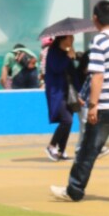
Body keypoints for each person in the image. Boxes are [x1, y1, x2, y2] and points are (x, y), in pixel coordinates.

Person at [50, 0, 109, 204]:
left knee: (88, 150)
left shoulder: (99, 42)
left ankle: (74, 190)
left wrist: (93, 105)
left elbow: (97, 76)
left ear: (95, 18)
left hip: (105, 106)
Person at [43, 33, 80, 161]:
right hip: (56, 92)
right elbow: (57, 68)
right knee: (66, 120)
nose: (72, 39)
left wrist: (79, 91)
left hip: (68, 92)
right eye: (70, 37)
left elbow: (73, 74)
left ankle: (61, 150)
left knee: (69, 121)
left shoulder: (66, 53)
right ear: (62, 39)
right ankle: (51, 146)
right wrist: (68, 57)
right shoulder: (53, 52)